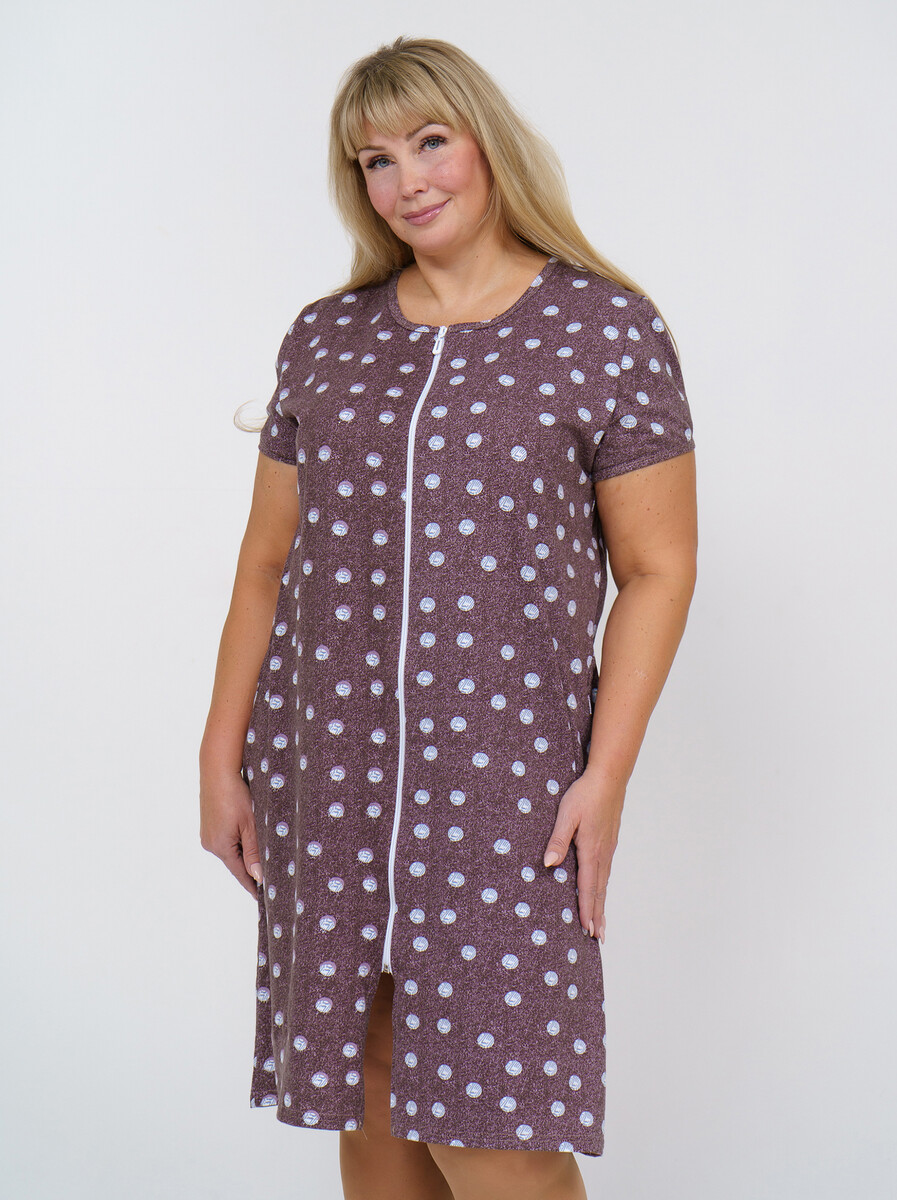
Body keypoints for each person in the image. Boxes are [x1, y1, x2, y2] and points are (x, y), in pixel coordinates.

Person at [199, 35, 697, 1200]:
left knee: (501, 1128)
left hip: (506, 786)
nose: (406, 181)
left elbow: (658, 568)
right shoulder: (328, 338)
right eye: (374, 160)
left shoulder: (606, 330)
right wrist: (221, 760)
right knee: (370, 1087)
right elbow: (266, 564)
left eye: (430, 142)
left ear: (487, 143)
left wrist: (606, 773)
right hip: (328, 774)